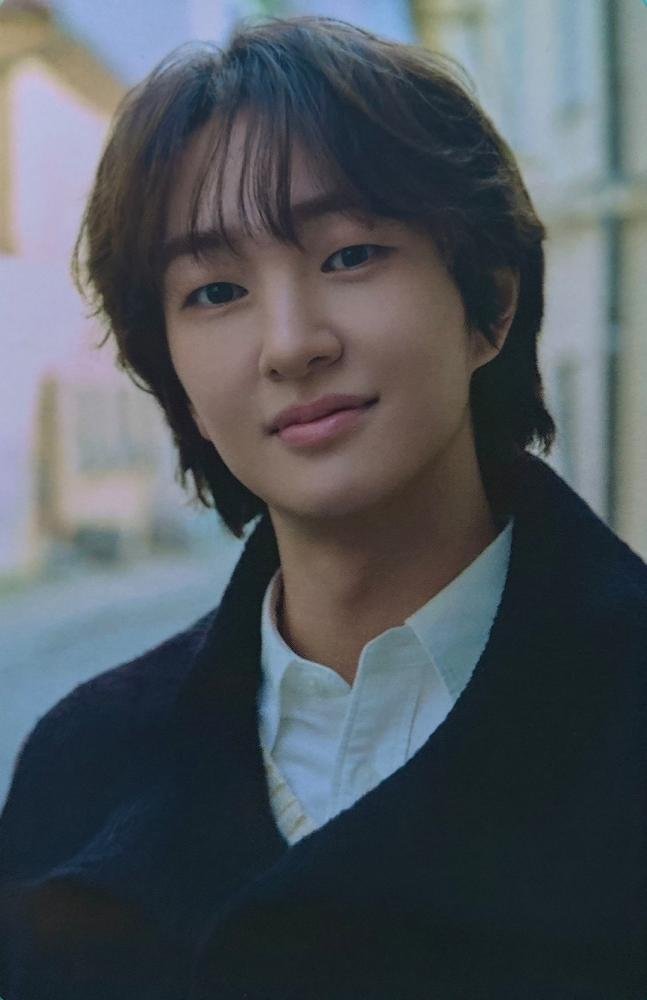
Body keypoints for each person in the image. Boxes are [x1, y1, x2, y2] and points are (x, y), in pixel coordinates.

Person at [0, 14, 645, 1000]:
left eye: (350, 256)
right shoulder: (77, 767)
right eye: (216, 291)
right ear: (172, 375)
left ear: (488, 303)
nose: (291, 343)